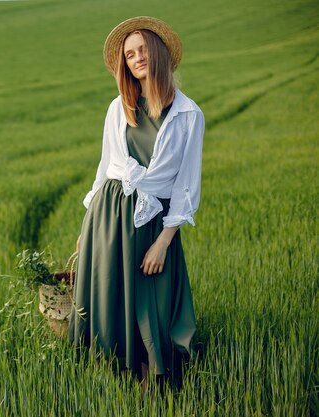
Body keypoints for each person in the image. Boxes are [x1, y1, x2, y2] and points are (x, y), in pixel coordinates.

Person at [68, 16, 205, 390]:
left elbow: (186, 188)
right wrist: (86, 228)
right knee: (110, 299)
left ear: (158, 52)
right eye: (129, 55)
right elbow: (103, 170)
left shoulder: (189, 115)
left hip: (153, 222)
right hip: (109, 218)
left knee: (152, 305)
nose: (137, 58)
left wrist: (164, 241)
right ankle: (113, 378)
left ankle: (154, 378)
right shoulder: (118, 108)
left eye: (142, 49)